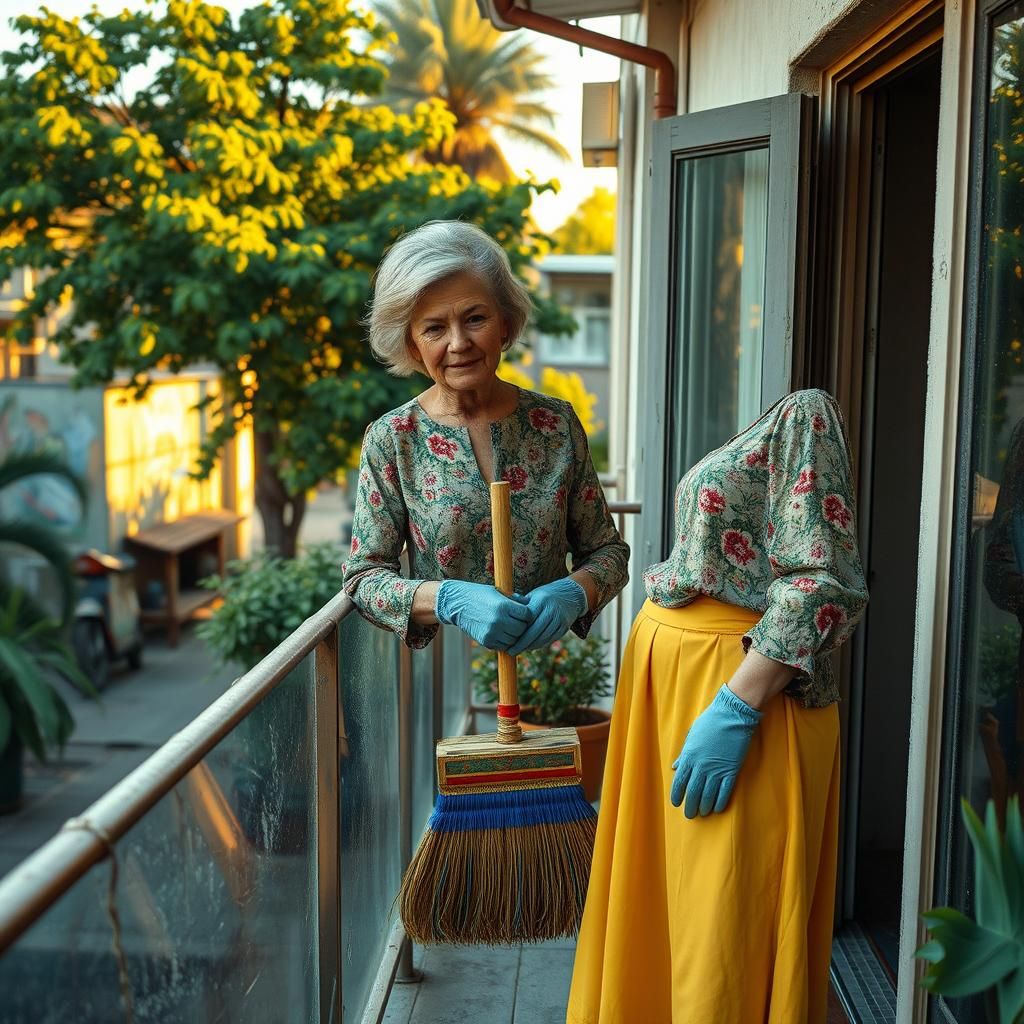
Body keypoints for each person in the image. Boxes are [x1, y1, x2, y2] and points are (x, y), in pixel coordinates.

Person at [568, 389, 868, 1024]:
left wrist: (738, 705)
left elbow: (824, 582)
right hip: (676, 692)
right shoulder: (765, 426)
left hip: (738, 695)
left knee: (724, 922)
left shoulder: (805, 414)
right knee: (662, 910)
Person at [343, 220, 629, 662]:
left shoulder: (554, 424)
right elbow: (364, 578)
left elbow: (608, 553)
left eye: (475, 318)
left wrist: (573, 593)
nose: (459, 343)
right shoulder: (393, 439)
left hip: (551, 661)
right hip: (442, 676)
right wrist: (447, 600)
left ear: (506, 325)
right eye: (434, 328)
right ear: (413, 345)